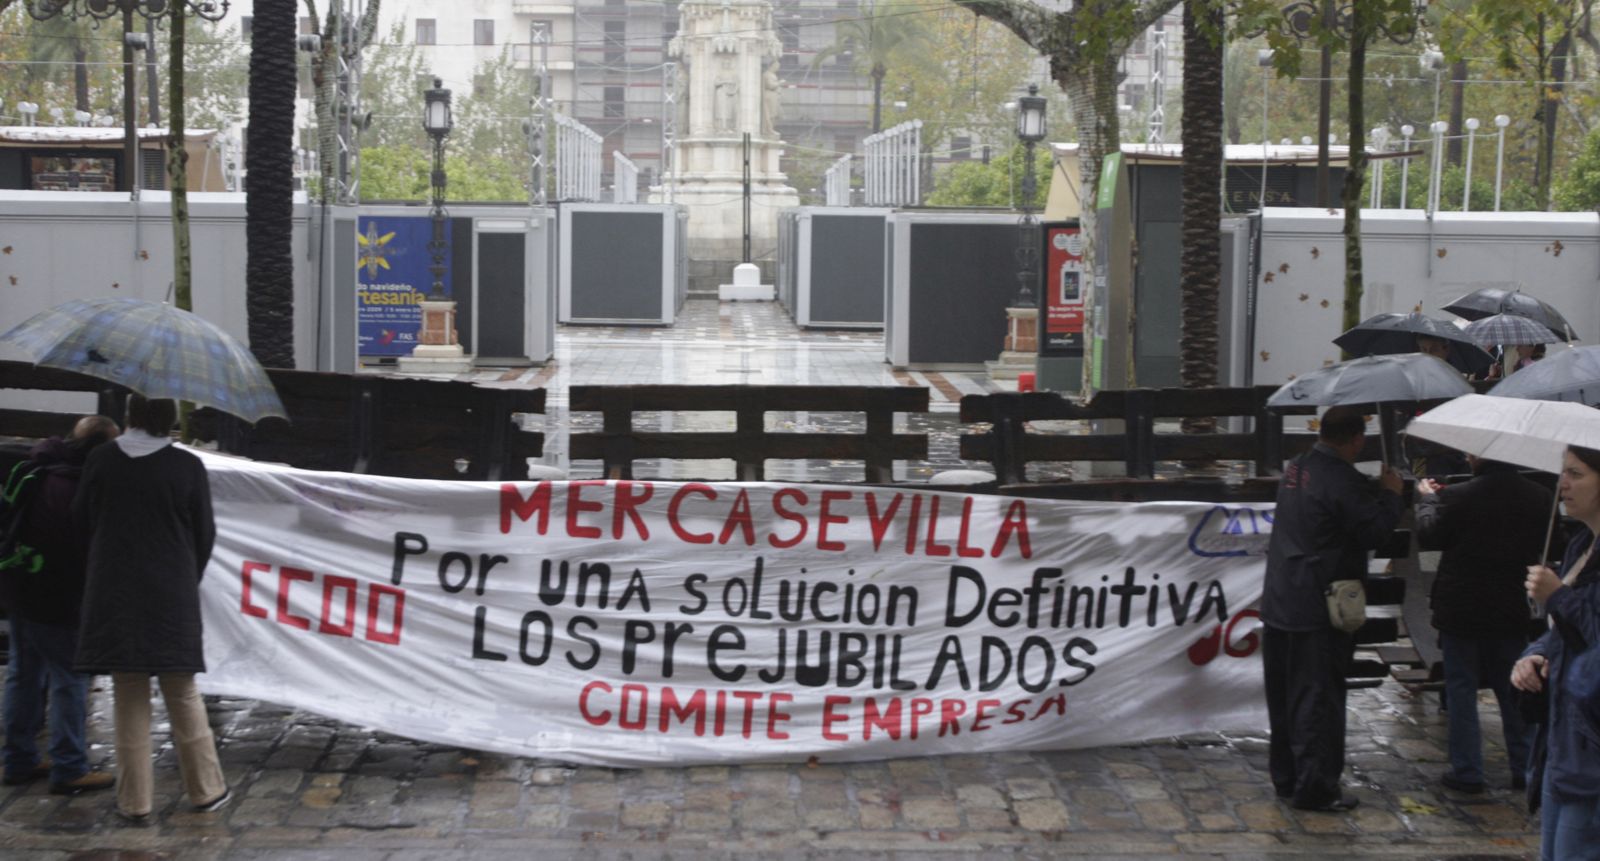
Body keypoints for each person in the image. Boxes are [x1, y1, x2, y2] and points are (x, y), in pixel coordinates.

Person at [72, 395, 229, 823]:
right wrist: (182, 574)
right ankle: (206, 789)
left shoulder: (102, 460)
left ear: (130, 416)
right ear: (169, 418)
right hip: (170, 591)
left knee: (128, 694)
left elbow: (83, 521)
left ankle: (134, 801)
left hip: (114, 590)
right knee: (182, 692)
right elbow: (204, 534)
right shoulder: (187, 466)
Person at [1262, 405, 1404, 812]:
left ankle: (1287, 777)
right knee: (1318, 698)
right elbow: (1373, 531)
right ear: (1356, 439)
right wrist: (1391, 495)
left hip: (1281, 597)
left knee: (1285, 695)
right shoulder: (1343, 479)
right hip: (1318, 605)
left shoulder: (1296, 468)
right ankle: (1316, 787)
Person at [1416, 456, 1550, 794]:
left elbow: (1431, 536)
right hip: (1509, 607)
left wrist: (1427, 499)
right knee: (1514, 688)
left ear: (1478, 457)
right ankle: (1525, 767)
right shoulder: (1539, 496)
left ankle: (1467, 770)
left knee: (1461, 689)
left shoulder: (1458, 494)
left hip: (1461, 608)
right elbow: (1551, 545)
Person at [2, 416, 120, 795]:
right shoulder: (81, 487)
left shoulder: (36, 467)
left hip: (23, 585)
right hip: (61, 596)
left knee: (23, 673)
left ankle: (18, 760)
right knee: (70, 679)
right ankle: (69, 766)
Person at [1514, 445, 1600, 859]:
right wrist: (1533, 654)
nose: (1563, 484)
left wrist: (1558, 597)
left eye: (1577, 473)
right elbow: (1563, 636)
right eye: (1562, 472)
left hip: (1591, 749)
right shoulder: (1580, 543)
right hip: (1559, 740)